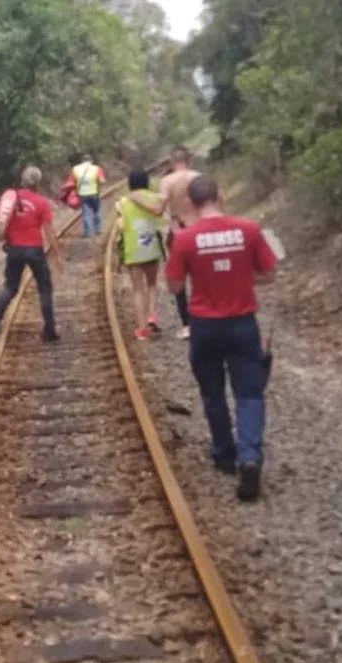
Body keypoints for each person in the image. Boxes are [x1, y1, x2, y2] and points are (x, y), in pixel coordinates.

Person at [164, 175, 277, 502]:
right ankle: (250, 458)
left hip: (204, 326)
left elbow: (173, 287)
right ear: (220, 195)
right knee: (250, 393)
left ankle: (224, 455)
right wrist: (239, 275)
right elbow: (269, 275)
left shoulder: (186, 239)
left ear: (190, 201)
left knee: (212, 393)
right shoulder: (249, 230)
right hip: (242, 324)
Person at [129, 146, 199, 339]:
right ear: (189, 160)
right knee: (201, 276)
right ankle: (208, 320)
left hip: (179, 232)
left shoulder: (167, 181)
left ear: (171, 162)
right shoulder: (199, 178)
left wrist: (137, 199)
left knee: (179, 278)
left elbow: (158, 210)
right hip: (199, 229)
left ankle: (187, 324)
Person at [0, 165, 62, 342]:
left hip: (14, 249)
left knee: (11, 286)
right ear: (38, 183)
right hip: (34, 250)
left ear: (22, 180)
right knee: (44, 287)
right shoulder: (41, 202)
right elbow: (49, 231)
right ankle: (49, 329)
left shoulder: (9, 201)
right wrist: (57, 254)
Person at [113, 167, 167, 340]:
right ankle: (151, 314)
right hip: (151, 244)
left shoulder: (121, 202)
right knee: (152, 284)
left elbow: (120, 226)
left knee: (137, 289)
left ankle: (142, 329)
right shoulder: (154, 199)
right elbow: (160, 218)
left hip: (132, 248)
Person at [71, 153, 106, 238]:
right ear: (91, 160)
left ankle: (87, 233)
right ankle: (97, 230)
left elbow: (72, 182)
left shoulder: (75, 169)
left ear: (82, 160)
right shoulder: (96, 168)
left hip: (82, 194)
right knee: (96, 211)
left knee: (86, 214)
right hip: (94, 193)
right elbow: (102, 181)